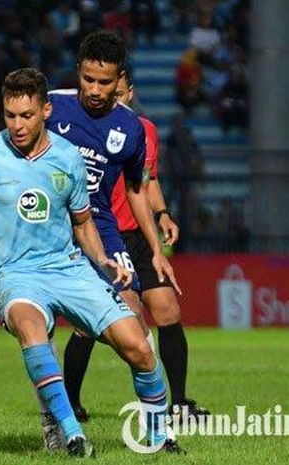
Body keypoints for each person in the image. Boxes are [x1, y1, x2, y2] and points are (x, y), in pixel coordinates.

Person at [0, 67, 182, 458]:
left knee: (139, 346)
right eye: (10, 116)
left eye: (26, 116)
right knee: (31, 329)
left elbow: (84, 224)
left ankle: (160, 436)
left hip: (69, 267)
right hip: (17, 275)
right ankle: (72, 434)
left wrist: (104, 262)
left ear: (45, 111)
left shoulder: (68, 158)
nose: (17, 125)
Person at [44, 30, 179, 427]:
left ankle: (158, 424)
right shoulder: (51, 107)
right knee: (40, 325)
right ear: (78, 73)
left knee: (134, 316)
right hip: (50, 226)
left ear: (120, 79)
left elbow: (137, 190)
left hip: (100, 227)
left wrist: (155, 248)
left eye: (105, 82)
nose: (96, 89)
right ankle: (57, 416)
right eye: (88, 79)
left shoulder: (130, 128)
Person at [111, 71, 210, 417]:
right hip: (107, 237)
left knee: (167, 310)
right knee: (98, 326)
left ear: (130, 92)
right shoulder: (90, 131)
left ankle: (179, 403)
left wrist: (163, 214)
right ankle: (73, 404)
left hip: (140, 235)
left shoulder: (144, 130)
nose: (115, 100)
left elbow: (147, 180)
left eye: (120, 93)